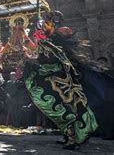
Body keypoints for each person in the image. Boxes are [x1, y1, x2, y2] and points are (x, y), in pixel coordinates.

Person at [24, 11, 99, 150]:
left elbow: (51, 58)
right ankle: (69, 136)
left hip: (60, 79)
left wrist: (31, 59)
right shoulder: (47, 41)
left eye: (45, 22)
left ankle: (73, 138)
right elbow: (45, 58)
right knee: (62, 107)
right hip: (56, 77)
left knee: (65, 108)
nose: (40, 29)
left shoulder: (52, 41)